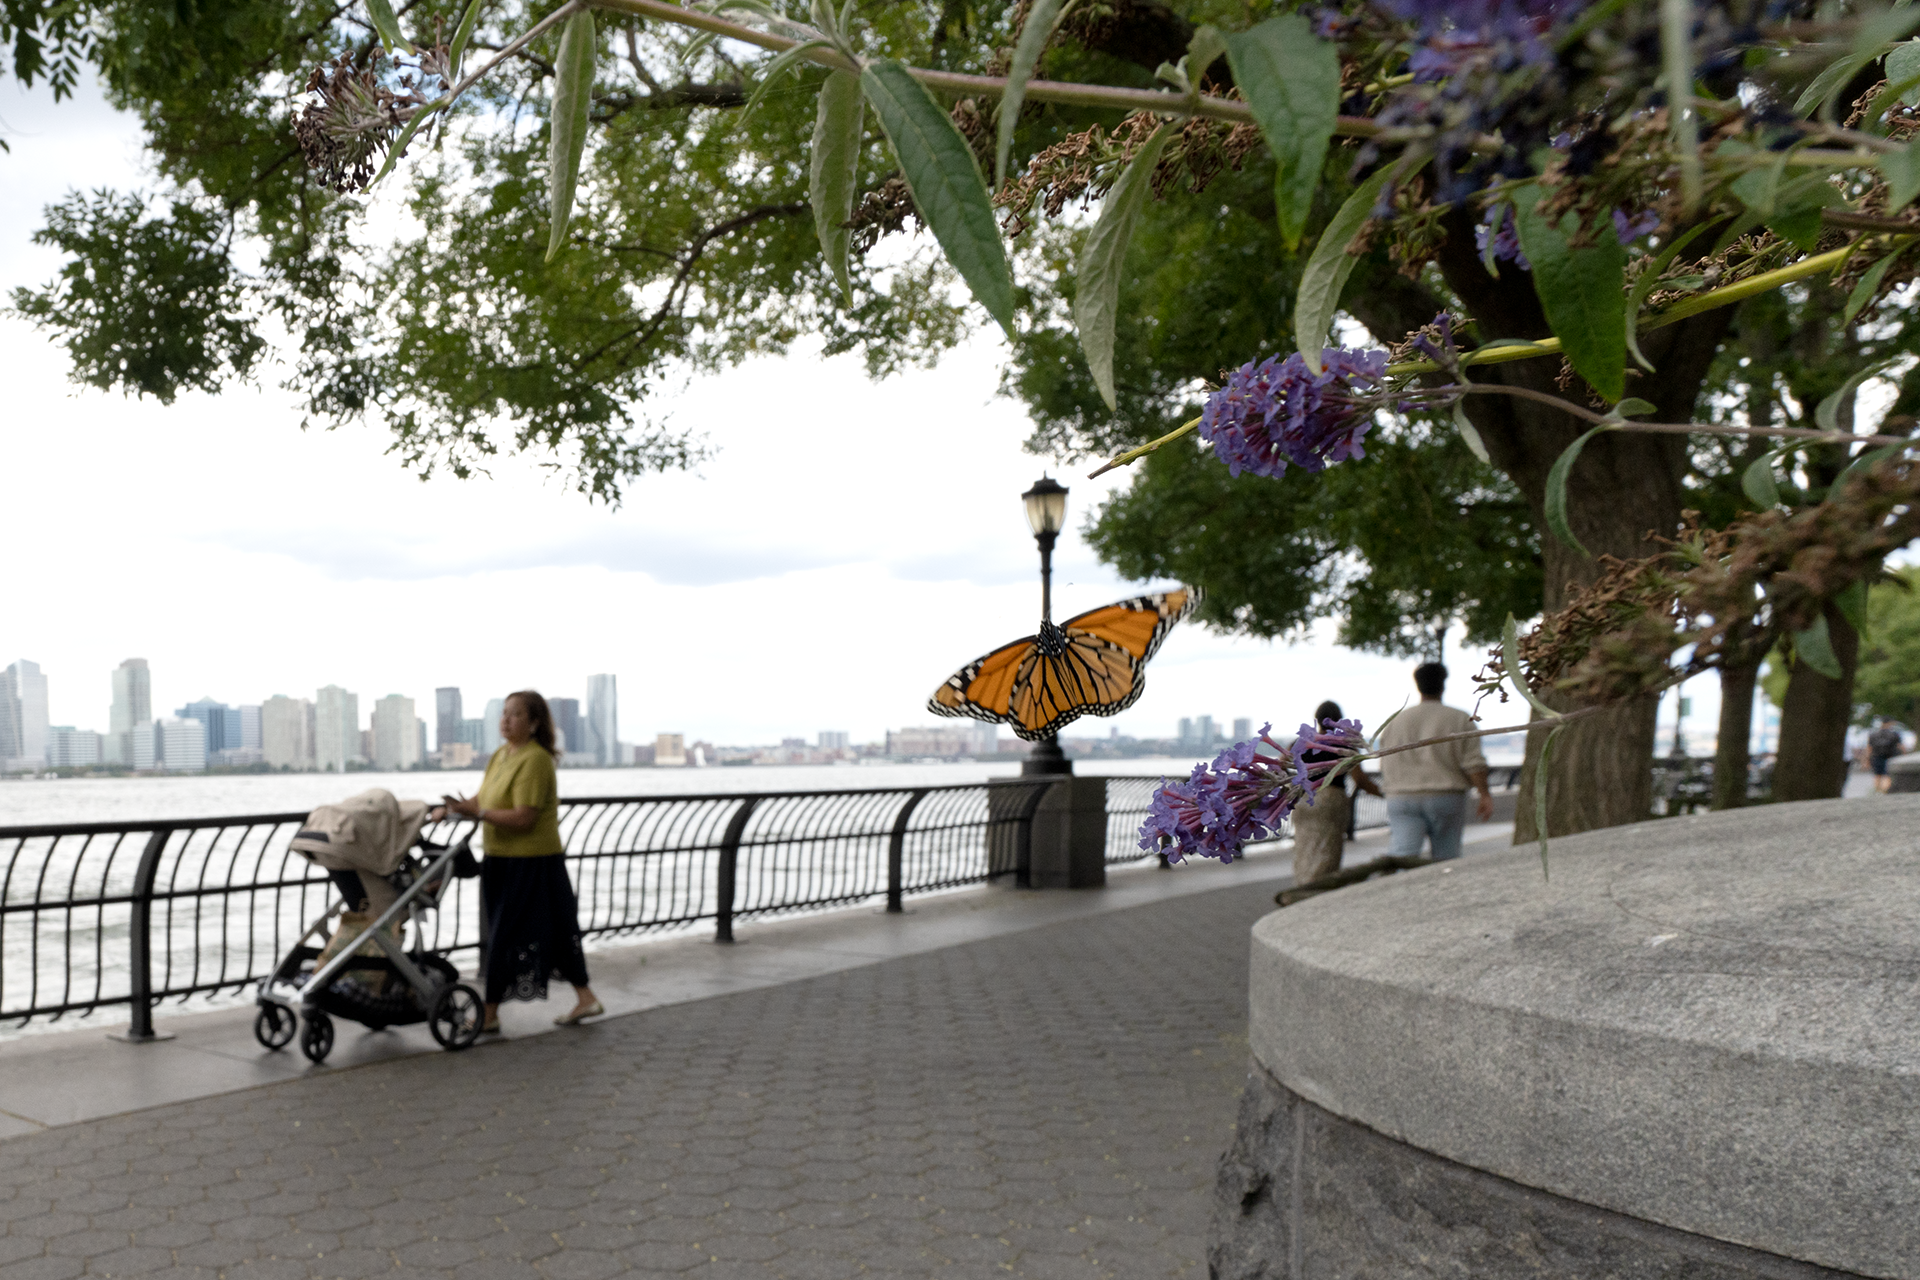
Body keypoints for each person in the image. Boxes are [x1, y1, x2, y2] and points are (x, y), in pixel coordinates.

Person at [433, 691, 601, 1032]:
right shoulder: (500, 755)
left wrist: (477, 812)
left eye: (516, 715)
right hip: (499, 859)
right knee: (553, 931)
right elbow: (484, 799)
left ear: (534, 723)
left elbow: (524, 818)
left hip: (532, 862)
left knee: (503, 935)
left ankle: (489, 1014)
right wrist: (452, 809)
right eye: (504, 713)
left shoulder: (535, 760)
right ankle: (586, 997)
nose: (506, 720)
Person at [1378, 663, 1494, 861]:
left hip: (1401, 796)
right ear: (1443, 684)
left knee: (1403, 855)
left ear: (1417, 685)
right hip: (1445, 795)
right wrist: (1484, 794)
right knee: (1446, 856)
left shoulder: (1395, 722)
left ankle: (1400, 889)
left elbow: (1384, 761)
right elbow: (1473, 762)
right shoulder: (1460, 718)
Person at [1289, 700, 1383, 885]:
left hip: (1304, 799)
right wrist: (1386, 794)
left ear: (1316, 719)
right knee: (1327, 851)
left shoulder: (1300, 743)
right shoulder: (1345, 747)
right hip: (1331, 800)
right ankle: (1319, 889)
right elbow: (1360, 780)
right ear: (1339, 720)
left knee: (1303, 847)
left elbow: (1280, 764)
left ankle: (1301, 886)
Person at [1868, 717, 1906, 794]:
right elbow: (1900, 746)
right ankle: (1885, 791)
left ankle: (1877, 791)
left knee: (1877, 775)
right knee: (1887, 775)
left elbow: (1869, 748)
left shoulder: (1873, 734)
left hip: (1876, 756)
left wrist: (1867, 759)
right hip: (1890, 757)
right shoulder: (1894, 734)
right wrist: (1905, 755)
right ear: (1890, 723)